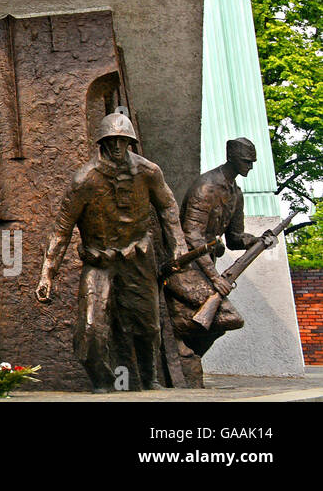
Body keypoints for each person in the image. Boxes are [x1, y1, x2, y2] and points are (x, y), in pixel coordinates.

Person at [36, 111, 187, 392]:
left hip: (138, 258)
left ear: (130, 142)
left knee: (149, 325)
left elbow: (167, 206)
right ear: (101, 143)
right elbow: (61, 229)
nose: (117, 147)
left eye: (123, 141)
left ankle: (149, 377)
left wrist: (178, 242)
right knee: (90, 329)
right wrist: (47, 274)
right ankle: (104, 381)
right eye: (111, 141)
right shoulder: (84, 180)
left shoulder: (148, 172)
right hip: (100, 261)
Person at [164, 137, 275, 386]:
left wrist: (257, 240)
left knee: (223, 321)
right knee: (228, 317)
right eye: (247, 161)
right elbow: (191, 234)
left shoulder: (236, 193)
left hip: (207, 266)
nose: (251, 166)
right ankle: (174, 338)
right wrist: (215, 279)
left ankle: (185, 351)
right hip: (186, 268)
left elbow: (235, 238)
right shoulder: (207, 186)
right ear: (232, 157)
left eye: (252, 162)